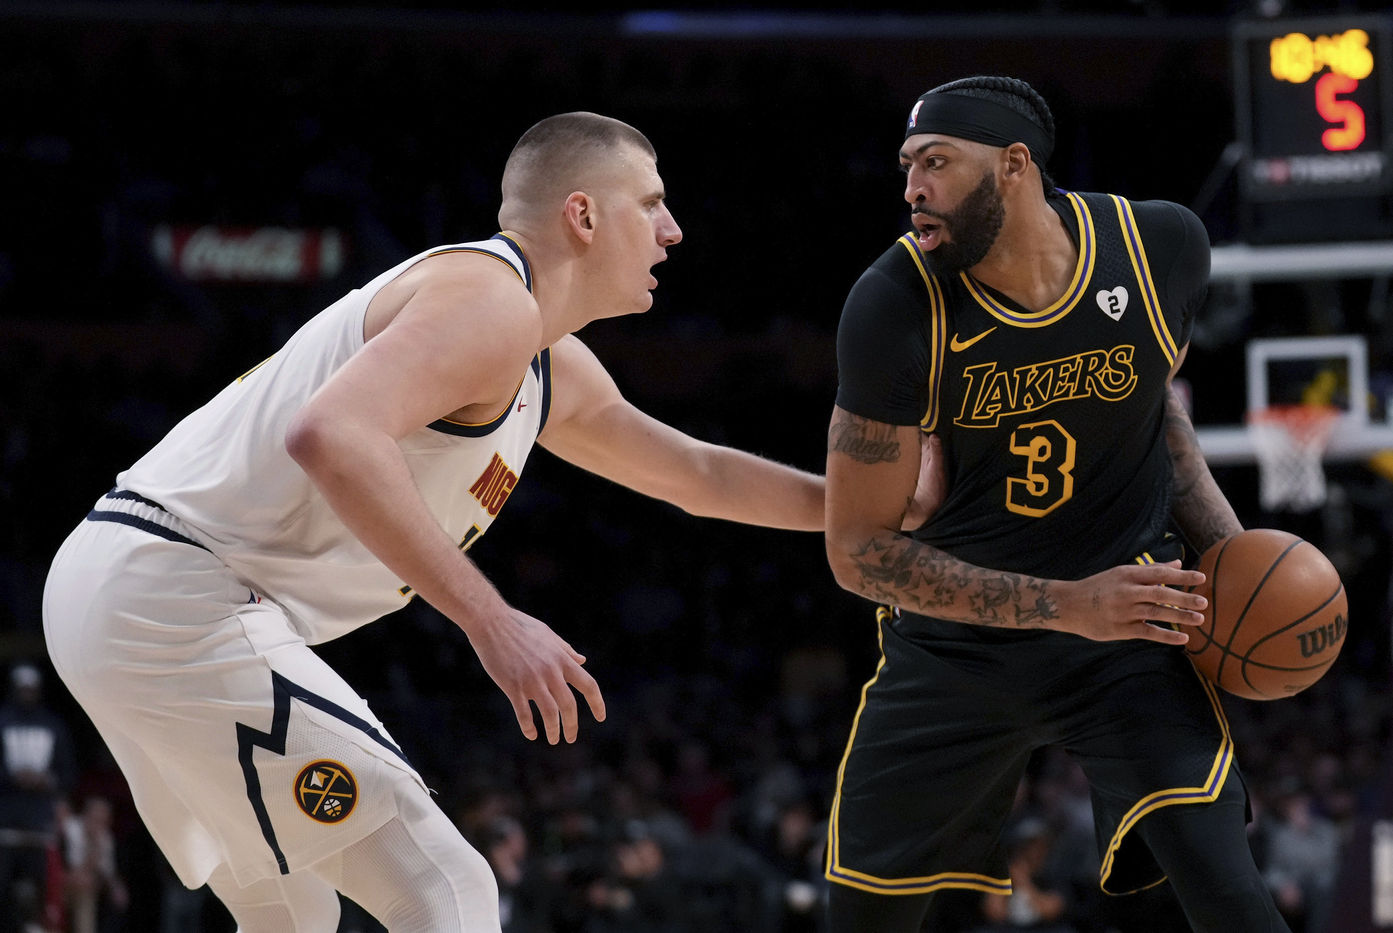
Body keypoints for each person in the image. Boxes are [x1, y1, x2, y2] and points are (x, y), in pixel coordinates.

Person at [41, 112, 839, 933]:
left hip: (127, 589)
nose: (671, 230)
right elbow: (330, 434)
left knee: (292, 912)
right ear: (583, 214)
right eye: (651, 203)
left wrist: (865, 512)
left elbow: (697, 475)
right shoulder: (489, 301)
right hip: (173, 594)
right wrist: (491, 619)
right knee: (445, 889)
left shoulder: (541, 356)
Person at [822, 76, 1289, 932]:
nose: (911, 188)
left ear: (1014, 165)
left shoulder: (1158, 248)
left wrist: (1237, 566)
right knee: (861, 921)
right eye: (906, 166)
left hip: (1128, 631)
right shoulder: (893, 304)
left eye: (935, 162)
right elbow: (858, 553)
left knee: (1229, 893)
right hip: (956, 648)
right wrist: (1070, 606)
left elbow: (1157, 416)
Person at [0, 662, 76, 933]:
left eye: (31, 689)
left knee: (42, 893)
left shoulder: (53, 726)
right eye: (23, 689)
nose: (27, 694)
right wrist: (13, 777)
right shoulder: (3, 720)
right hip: (5, 826)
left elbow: (68, 773)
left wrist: (46, 780)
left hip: (40, 828)